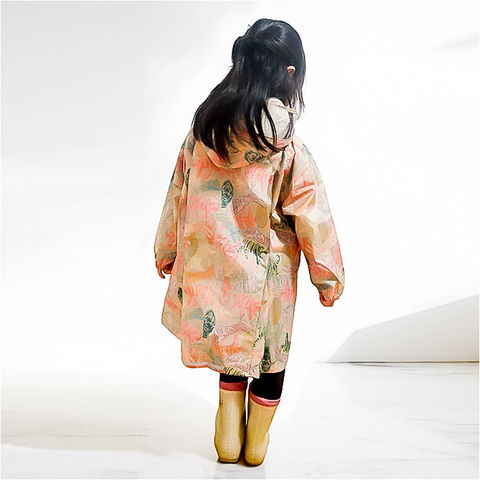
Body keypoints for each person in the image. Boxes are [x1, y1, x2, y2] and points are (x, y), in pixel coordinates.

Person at [154, 18, 345, 466]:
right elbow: (311, 212)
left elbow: (178, 190)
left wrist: (167, 249)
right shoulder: (287, 146)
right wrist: (328, 277)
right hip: (269, 277)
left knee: (230, 346)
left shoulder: (204, 131)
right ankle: (255, 445)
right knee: (270, 355)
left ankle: (227, 435)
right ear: (290, 72)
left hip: (214, 268)